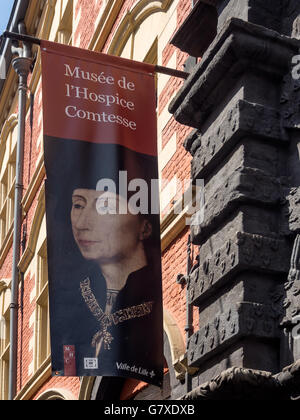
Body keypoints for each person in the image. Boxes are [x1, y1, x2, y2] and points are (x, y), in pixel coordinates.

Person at [45, 139, 163, 385]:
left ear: (145, 226)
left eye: (106, 205)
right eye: (78, 204)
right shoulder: (78, 296)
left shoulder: (151, 291)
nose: (82, 223)